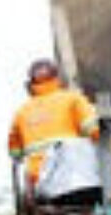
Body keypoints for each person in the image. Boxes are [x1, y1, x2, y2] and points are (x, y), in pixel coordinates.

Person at [7, 58, 100, 202]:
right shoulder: (73, 100)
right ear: (57, 79)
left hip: (41, 184)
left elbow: (15, 153)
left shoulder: (21, 113)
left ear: (30, 85)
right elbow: (94, 131)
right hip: (79, 181)